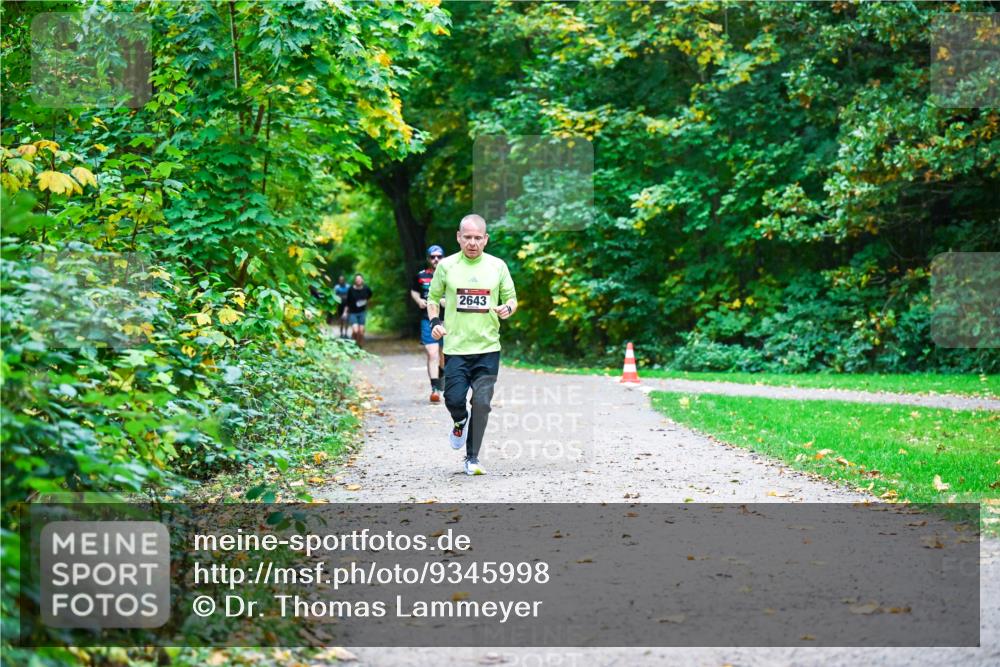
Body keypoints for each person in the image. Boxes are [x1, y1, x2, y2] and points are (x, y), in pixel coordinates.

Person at [427, 214, 517, 476]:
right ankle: (459, 420)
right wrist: (434, 321)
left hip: (488, 348)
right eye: (467, 237)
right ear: (459, 237)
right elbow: (433, 298)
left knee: (482, 402)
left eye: (478, 238)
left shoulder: (498, 266)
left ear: (486, 239)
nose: (473, 243)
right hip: (456, 348)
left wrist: (507, 308)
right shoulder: (446, 266)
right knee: (453, 399)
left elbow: (512, 298)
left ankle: (472, 457)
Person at [411, 245, 447, 403]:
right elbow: (414, 290)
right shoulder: (421, 276)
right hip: (428, 319)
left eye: (439, 256)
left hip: (447, 320)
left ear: (443, 258)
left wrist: (445, 301)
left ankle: (442, 381)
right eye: (432, 257)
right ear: (428, 259)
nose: (436, 259)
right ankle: (435, 390)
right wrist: (419, 300)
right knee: (432, 353)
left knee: (444, 355)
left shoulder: (450, 275)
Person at [346, 273, 372, 348]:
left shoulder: (366, 288)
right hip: (353, 312)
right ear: (355, 281)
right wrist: (345, 312)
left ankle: (359, 345)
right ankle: (353, 344)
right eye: (357, 280)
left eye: (359, 279)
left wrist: (366, 301)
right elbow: (347, 301)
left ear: (362, 280)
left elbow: (370, 295)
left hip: (362, 312)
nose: (358, 281)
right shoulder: (351, 289)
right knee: (355, 331)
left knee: (361, 332)